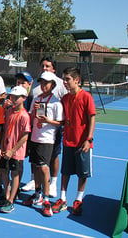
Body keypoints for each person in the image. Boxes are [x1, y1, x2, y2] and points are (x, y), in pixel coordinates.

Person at [22, 55, 67, 198]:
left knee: (51, 158)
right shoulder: (36, 90)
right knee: (35, 161)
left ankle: (51, 185)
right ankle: (35, 184)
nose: (44, 68)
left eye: (47, 66)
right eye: (42, 66)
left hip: (51, 134)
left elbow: (61, 116)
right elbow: (33, 113)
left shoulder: (60, 88)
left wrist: (50, 121)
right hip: (36, 131)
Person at [52, 67, 96, 216]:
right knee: (65, 172)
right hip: (68, 142)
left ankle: (78, 200)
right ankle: (62, 199)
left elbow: (92, 118)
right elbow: (62, 120)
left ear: (76, 80)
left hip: (83, 143)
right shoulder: (65, 98)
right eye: (63, 79)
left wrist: (88, 139)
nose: (64, 82)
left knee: (82, 174)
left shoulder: (86, 97)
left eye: (67, 79)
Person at [0, 86, 31, 213]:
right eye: (13, 97)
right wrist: (1, 147)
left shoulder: (24, 116)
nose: (14, 99)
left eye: (17, 97)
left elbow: (25, 136)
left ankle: (11, 200)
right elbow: (4, 130)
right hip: (5, 149)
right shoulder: (8, 112)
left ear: (24, 98)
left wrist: (13, 150)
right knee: (4, 171)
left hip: (16, 152)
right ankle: (6, 196)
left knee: (14, 174)